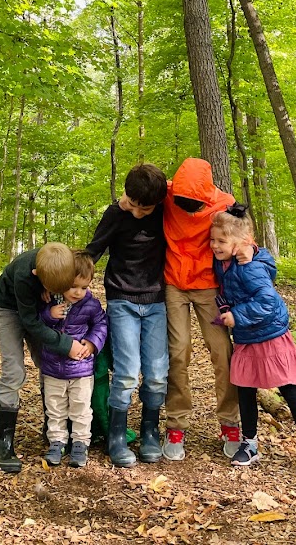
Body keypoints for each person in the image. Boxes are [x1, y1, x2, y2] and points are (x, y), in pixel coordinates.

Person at [210, 204, 296, 478]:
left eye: (221, 241)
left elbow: (268, 302)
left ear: (243, 242)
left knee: (288, 389)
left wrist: (236, 315)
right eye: (212, 240)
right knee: (245, 390)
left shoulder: (250, 268)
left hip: (270, 336)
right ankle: (250, 444)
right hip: (248, 338)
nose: (214, 245)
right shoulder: (228, 261)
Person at [162, 157, 254, 462]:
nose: (188, 207)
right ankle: (176, 423)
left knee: (221, 352)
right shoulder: (167, 194)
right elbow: (140, 194)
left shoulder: (224, 203)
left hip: (207, 285)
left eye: (194, 203)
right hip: (174, 282)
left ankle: (230, 421)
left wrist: (248, 250)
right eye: (183, 201)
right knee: (178, 351)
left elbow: (241, 232)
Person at [85, 163, 169, 467]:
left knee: (158, 374)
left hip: (157, 301)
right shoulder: (115, 213)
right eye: (132, 204)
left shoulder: (164, 209)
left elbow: (195, 196)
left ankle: (150, 430)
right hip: (122, 301)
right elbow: (93, 250)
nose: (136, 212)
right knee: (127, 373)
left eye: (144, 208)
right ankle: (117, 435)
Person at [0, 241, 84, 473]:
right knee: (14, 371)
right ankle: (2, 443)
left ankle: (55, 428)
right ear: (36, 275)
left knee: (48, 363)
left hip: (37, 309)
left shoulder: (59, 261)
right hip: (9, 310)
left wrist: (50, 293)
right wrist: (65, 344)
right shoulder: (25, 274)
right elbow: (30, 322)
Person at [39, 251, 108, 469]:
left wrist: (92, 343)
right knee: (55, 408)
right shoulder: (49, 300)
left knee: (81, 408)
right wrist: (49, 315)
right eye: (73, 286)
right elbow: (37, 325)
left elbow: (101, 324)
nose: (78, 292)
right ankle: (57, 442)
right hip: (52, 368)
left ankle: (80, 443)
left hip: (81, 368)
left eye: (84, 287)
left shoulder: (91, 304)